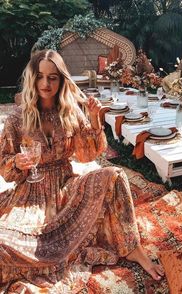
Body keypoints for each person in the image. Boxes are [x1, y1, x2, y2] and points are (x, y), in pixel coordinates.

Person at [0, 49, 163, 291]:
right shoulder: (17, 119)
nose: (46, 83)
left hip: (67, 187)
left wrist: (95, 120)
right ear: (32, 78)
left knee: (115, 176)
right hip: (30, 195)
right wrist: (16, 164)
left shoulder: (70, 112)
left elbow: (87, 155)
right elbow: (5, 167)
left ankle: (132, 248)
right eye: (40, 76)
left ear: (61, 79)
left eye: (53, 77)